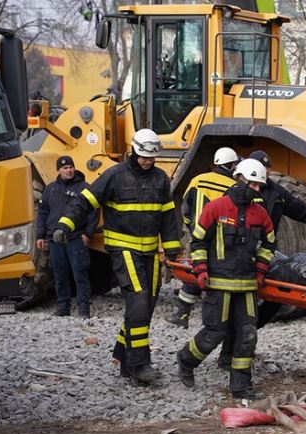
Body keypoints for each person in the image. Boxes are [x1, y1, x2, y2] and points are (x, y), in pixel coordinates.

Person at [54, 128, 182, 384]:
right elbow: (85, 201)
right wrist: (65, 224)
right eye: (143, 156)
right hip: (123, 250)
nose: (147, 161)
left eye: (151, 157)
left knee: (147, 304)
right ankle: (139, 366)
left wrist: (172, 249)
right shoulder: (114, 176)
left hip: (149, 252)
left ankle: (123, 355)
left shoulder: (160, 179)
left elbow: (168, 215)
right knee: (138, 301)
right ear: (133, 151)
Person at [175, 159, 276, 400]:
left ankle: (241, 386)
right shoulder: (216, 208)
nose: (257, 190)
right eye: (253, 185)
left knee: (248, 334)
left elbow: (270, 243)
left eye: (260, 186)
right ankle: (186, 359)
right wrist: (201, 270)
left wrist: (261, 269)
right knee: (215, 332)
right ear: (239, 179)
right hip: (218, 284)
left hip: (248, 285)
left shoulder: (260, 213)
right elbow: (198, 241)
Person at [246, 150, 306, 330]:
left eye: (268, 167)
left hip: (264, 251)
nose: (266, 171)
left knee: (277, 295)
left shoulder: (277, 193)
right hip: (242, 252)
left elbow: (302, 211)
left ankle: (252, 327)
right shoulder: (238, 193)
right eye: (262, 167)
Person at [166, 147, 240, 328]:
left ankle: (182, 315)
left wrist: (192, 227)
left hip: (196, 236)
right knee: (217, 273)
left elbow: (184, 207)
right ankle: (218, 319)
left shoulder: (197, 180)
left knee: (196, 270)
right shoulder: (233, 186)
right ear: (231, 165)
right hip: (219, 239)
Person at [36, 155, 99, 318]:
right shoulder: (50, 189)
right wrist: (40, 235)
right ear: (58, 170)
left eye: (71, 167)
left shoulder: (84, 188)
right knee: (59, 274)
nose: (69, 170)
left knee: (80, 273)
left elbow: (94, 211)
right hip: (54, 239)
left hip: (76, 238)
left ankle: (84, 310)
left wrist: (88, 233)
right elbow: (42, 213)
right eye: (65, 168)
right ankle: (62, 308)